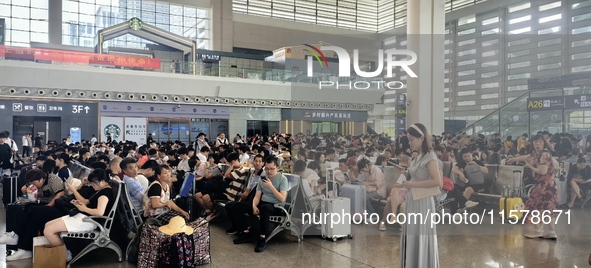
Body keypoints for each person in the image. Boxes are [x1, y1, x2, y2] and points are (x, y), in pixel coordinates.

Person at [394, 123, 441, 268]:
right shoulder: (417, 156)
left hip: (423, 202)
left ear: (422, 138)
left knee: (420, 234)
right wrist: (405, 174)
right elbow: (416, 176)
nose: (410, 143)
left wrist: (412, 184)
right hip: (413, 200)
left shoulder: (430, 156)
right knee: (413, 234)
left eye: (412, 139)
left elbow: (436, 181)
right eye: (408, 140)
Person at [43, 169, 114, 258]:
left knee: (48, 231)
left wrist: (84, 208)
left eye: (94, 184)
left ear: (102, 182)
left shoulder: (105, 193)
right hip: (84, 217)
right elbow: (88, 202)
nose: (92, 186)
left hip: (89, 221)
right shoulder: (101, 190)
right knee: (47, 225)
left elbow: (99, 212)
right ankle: (60, 250)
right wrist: (80, 204)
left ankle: (65, 255)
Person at [232, 157, 288, 253]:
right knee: (236, 206)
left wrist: (271, 187)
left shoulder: (282, 179)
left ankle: (262, 238)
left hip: (276, 206)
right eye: (266, 168)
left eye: (271, 169)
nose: (269, 171)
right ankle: (245, 232)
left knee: (264, 208)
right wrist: (254, 206)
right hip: (263, 203)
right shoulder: (262, 179)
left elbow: (282, 199)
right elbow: (257, 197)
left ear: (277, 168)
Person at [507, 134, 558, 239]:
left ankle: (538, 230)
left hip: (545, 185)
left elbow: (542, 171)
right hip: (550, 185)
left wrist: (529, 166)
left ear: (544, 142)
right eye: (535, 142)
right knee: (548, 208)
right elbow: (527, 157)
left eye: (539, 142)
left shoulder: (544, 154)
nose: (537, 144)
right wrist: (514, 159)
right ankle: (551, 232)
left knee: (535, 206)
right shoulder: (537, 153)